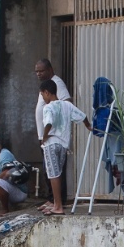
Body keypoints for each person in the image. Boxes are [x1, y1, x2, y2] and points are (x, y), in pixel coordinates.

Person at [39, 79, 91, 215]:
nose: (43, 98)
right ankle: (57, 203)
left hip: (51, 144)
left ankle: (58, 206)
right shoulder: (67, 105)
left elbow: (49, 122)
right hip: (63, 145)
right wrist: (89, 126)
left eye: (42, 95)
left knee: (53, 175)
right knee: (58, 174)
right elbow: (83, 116)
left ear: (47, 92)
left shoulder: (48, 107)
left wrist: (44, 136)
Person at [34, 58, 71, 208]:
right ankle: (53, 200)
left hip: (52, 137)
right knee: (48, 169)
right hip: (45, 137)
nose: (38, 74)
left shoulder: (57, 83)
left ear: (50, 69)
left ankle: (56, 201)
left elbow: (67, 102)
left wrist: (51, 130)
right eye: (36, 71)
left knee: (54, 169)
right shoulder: (47, 85)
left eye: (41, 71)